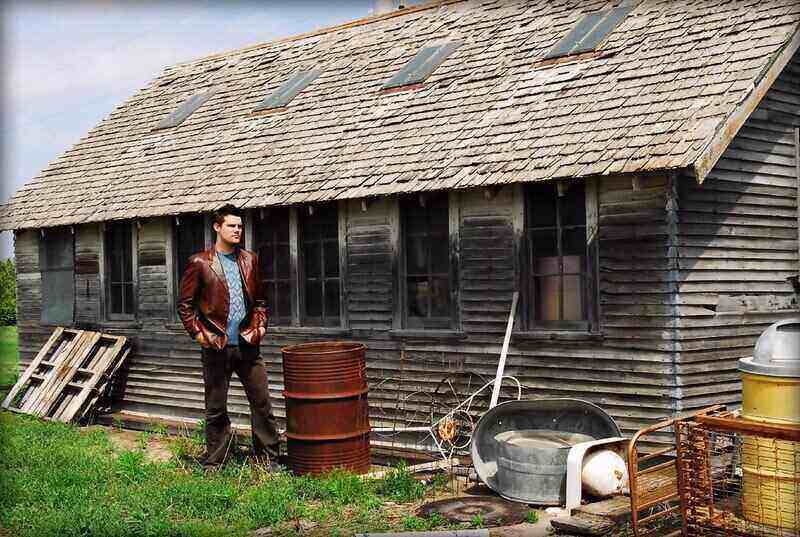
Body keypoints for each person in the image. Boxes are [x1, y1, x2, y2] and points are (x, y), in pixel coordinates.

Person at [177, 203, 280, 469]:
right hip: (215, 346)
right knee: (216, 409)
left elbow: (260, 301)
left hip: (247, 344)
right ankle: (214, 464)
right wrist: (200, 335)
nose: (237, 230)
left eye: (240, 226)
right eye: (232, 226)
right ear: (217, 227)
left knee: (262, 405)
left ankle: (268, 461)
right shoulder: (200, 263)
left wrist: (260, 327)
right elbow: (185, 306)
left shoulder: (249, 260)